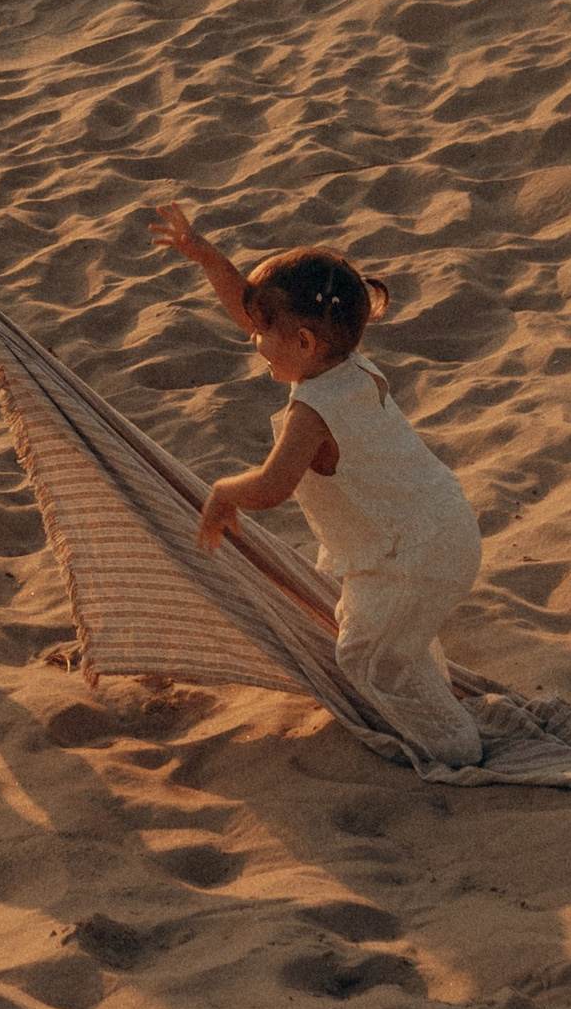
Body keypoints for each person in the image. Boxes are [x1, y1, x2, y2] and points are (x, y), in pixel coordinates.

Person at [154, 205, 485, 769]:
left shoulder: (313, 410)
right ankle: (426, 697)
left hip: (410, 555)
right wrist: (207, 256)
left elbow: (273, 485)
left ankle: (456, 749)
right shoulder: (349, 365)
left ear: (303, 342)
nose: (253, 341)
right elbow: (249, 308)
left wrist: (223, 492)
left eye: (262, 336)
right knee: (390, 635)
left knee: (365, 659)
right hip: (436, 529)